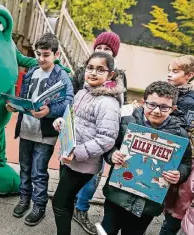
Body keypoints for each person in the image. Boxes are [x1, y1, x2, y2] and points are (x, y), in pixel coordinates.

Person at [101, 81, 192, 235]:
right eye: (152, 105)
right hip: (117, 195)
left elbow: (186, 163)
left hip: (148, 204)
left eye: (164, 107)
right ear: (143, 103)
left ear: (173, 109)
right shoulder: (126, 123)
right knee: (107, 230)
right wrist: (112, 155)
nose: (156, 111)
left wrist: (179, 174)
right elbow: (110, 147)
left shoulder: (179, 135)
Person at [6, 33, 74, 226]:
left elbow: (69, 103)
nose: (41, 59)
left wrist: (50, 111)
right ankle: (24, 200)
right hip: (26, 128)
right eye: (38, 54)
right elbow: (24, 97)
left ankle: (39, 207)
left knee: (39, 172)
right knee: (25, 168)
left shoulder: (62, 76)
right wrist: (14, 105)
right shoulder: (32, 71)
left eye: (46, 55)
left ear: (56, 54)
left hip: (45, 135)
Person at [52, 51, 123, 235]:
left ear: (111, 75)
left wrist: (78, 152)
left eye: (100, 70)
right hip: (69, 157)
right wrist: (62, 123)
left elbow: (106, 139)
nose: (93, 73)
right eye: (90, 68)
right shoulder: (83, 92)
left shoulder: (108, 103)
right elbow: (74, 121)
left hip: (83, 163)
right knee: (65, 202)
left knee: (59, 202)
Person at [71, 31, 127, 235]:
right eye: (100, 48)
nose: (102, 51)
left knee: (94, 173)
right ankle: (71, 202)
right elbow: (76, 96)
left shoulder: (119, 76)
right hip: (80, 133)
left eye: (108, 49)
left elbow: (122, 99)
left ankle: (82, 208)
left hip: (105, 130)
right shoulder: (82, 72)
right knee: (72, 171)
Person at [160, 55, 194, 235]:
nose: (169, 75)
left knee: (176, 205)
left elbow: (185, 129)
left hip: (180, 154)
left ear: (189, 75)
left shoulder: (188, 101)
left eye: (175, 71)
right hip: (171, 152)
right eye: (169, 70)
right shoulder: (171, 92)